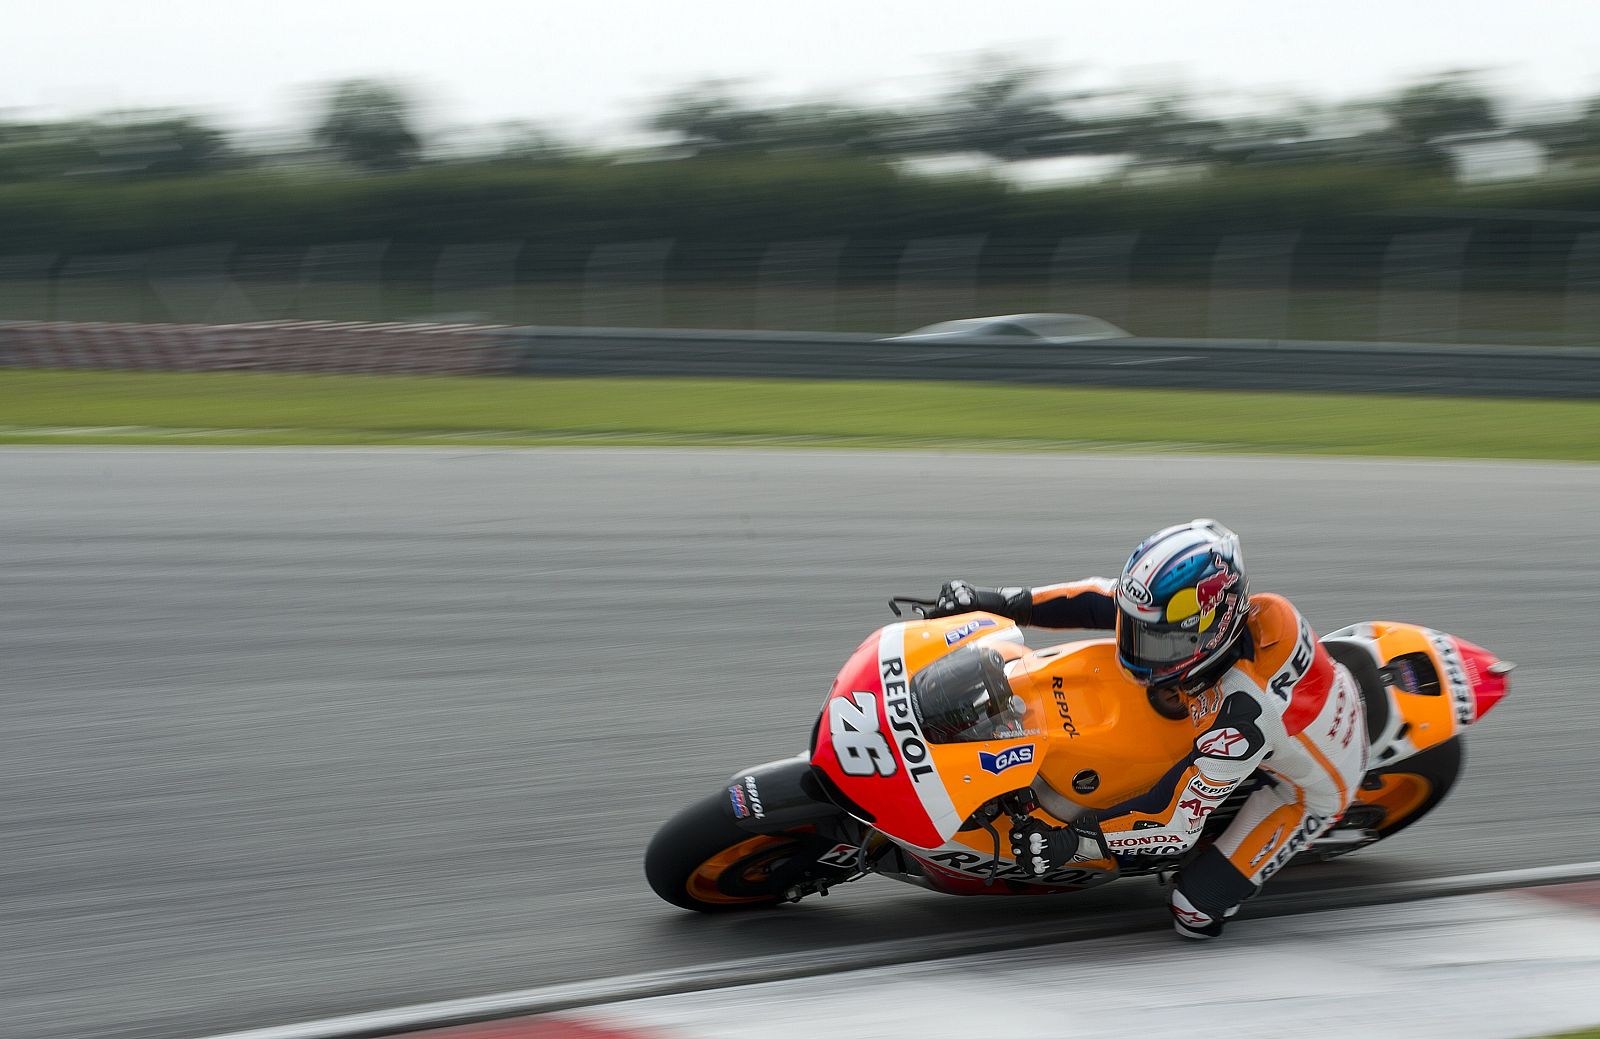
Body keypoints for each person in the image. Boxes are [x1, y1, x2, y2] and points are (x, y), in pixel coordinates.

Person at [927, 519, 1366, 939]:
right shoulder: (1210, 615)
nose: (1137, 649)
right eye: (1137, 631)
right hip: (1272, 709)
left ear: (1211, 633)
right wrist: (997, 601)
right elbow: (1098, 598)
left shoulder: (1244, 714)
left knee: (1193, 911)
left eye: (1159, 642)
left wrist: (1069, 842)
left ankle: (1247, 864)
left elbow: (1174, 821)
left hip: (1305, 791)